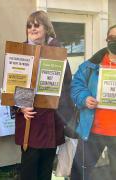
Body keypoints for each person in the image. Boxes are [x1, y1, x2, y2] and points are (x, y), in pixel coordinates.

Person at [14, 10, 74, 180]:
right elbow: (14, 81)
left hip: (51, 121)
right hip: (29, 119)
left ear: (46, 28)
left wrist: (63, 115)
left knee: (45, 169)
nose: (32, 29)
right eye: (29, 26)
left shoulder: (58, 52)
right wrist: (21, 107)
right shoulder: (21, 50)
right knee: (29, 169)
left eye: (36, 25)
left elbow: (67, 85)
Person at [70, 24, 116, 180]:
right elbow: (76, 85)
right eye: (112, 38)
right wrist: (84, 98)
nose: (115, 41)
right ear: (106, 40)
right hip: (92, 131)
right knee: (79, 173)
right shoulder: (90, 66)